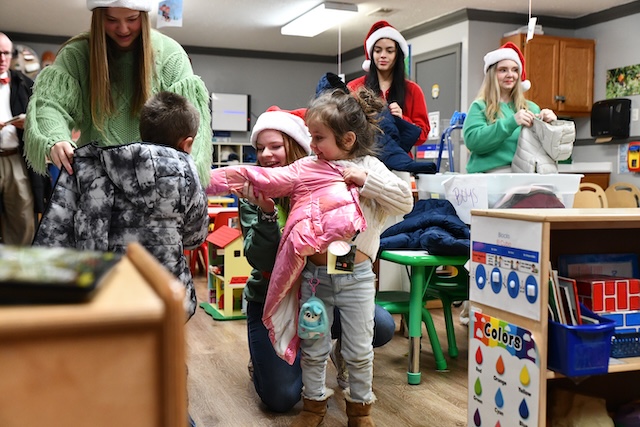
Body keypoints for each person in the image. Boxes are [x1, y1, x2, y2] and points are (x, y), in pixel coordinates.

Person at [236, 106, 397, 413]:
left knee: (380, 325)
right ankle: (269, 357)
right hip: (273, 298)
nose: (266, 155)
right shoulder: (255, 191)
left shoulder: (322, 179)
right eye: (259, 148)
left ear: (297, 145)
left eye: (275, 146)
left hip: (318, 288)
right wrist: (267, 214)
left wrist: (351, 266)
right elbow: (262, 261)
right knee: (282, 396)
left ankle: (334, 352)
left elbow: (347, 235)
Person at [33, 91, 209, 321]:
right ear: (188, 143)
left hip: (104, 296)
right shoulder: (187, 174)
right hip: (165, 295)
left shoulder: (93, 166)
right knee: (162, 342)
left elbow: (55, 234)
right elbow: (195, 237)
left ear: (142, 134)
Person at [23, 0, 213, 188]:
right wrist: (56, 139)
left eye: (132, 19)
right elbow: (49, 105)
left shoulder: (171, 55)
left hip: (157, 186)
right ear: (98, 17)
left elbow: (192, 123)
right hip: (95, 185)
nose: (123, 29)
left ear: (144, 16)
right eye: (111, 19)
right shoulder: (76, 54)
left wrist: (186, 177)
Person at [462, 42, 558, 174]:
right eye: (503, 70)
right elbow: (473, 142)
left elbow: (549, 150)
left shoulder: (531, 108)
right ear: (492, 74)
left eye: (515, 70)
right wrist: (511, 123)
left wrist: (551, 126)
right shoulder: (480, 106)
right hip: (489, 177)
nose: (510, 75)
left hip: (525, 176)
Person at [0, 32, 50, 245]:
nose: (2, 58)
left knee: (23, 219)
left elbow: (43, 122)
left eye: (6, 53)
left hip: (16, 158)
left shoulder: (23, 83)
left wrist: (28, 122)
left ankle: (18, 265)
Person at [348, 20, 430, 147]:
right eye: (378, 50)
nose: (383, 55)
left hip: (399, 156)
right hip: (364, 155)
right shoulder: (355, 87)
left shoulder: (413, 90)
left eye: (389, 51)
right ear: (371, 54)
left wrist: (402, 119)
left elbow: (423, 134)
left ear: (397, 55)